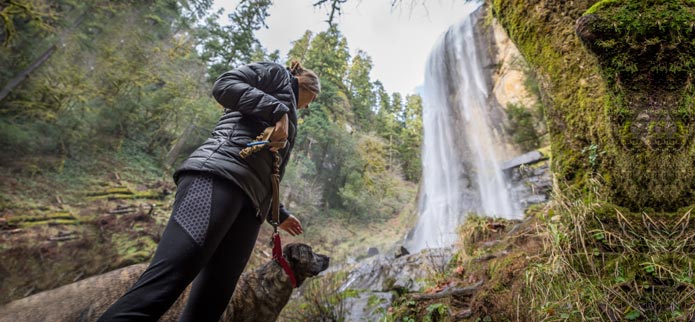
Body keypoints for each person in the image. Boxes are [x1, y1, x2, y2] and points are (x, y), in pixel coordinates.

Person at [98, 60, 320, 322]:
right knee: (162, 286)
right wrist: (278, 110)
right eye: (313, 98)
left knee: (209, 307)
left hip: (250, 206)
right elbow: (224, 85)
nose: (309, 105)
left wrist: (278, 213)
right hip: (218, 176)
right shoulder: (277, 75)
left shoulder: (289, 114)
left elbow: (267, 169)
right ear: (307, 85)